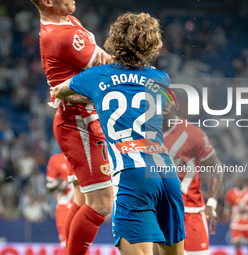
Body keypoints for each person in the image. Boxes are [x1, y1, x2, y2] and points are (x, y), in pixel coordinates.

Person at [53, 12, 186, 255]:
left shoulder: (97, 77)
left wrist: (90, 94)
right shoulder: (161, 78)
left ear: (114, 41)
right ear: (152, 45)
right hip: (167, 174)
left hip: (132, 176)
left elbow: (59, 90)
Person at [30, 0, 113, 254]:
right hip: (80, 123)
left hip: (82, 119)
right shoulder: (62, 35)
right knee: (101, 204)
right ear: (47, 1)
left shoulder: (65, 21)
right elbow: (108, 69)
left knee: (82, 197)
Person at [162, 99, 223, 255]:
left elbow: (216, 168)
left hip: (191, 213)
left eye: (168, 101)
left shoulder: (193, 133)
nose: (164, 106)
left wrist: (212, 202)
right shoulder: (143, 133)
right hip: (161, 212)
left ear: (176, 106)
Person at [46, 152, 84, 247]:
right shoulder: (55, 160)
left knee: (82, 243)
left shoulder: (86, 157)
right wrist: (59, 186)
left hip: (81, 206)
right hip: (64, 205)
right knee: (67, 244)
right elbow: (50, 187)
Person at [225, 177, 248, 255]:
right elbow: (227, 205)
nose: (238, 182)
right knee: (236, 243)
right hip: (236, 221)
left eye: (240, 180)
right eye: (237, 180)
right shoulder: (230, 193)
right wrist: (227, 212)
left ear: (244, 181)